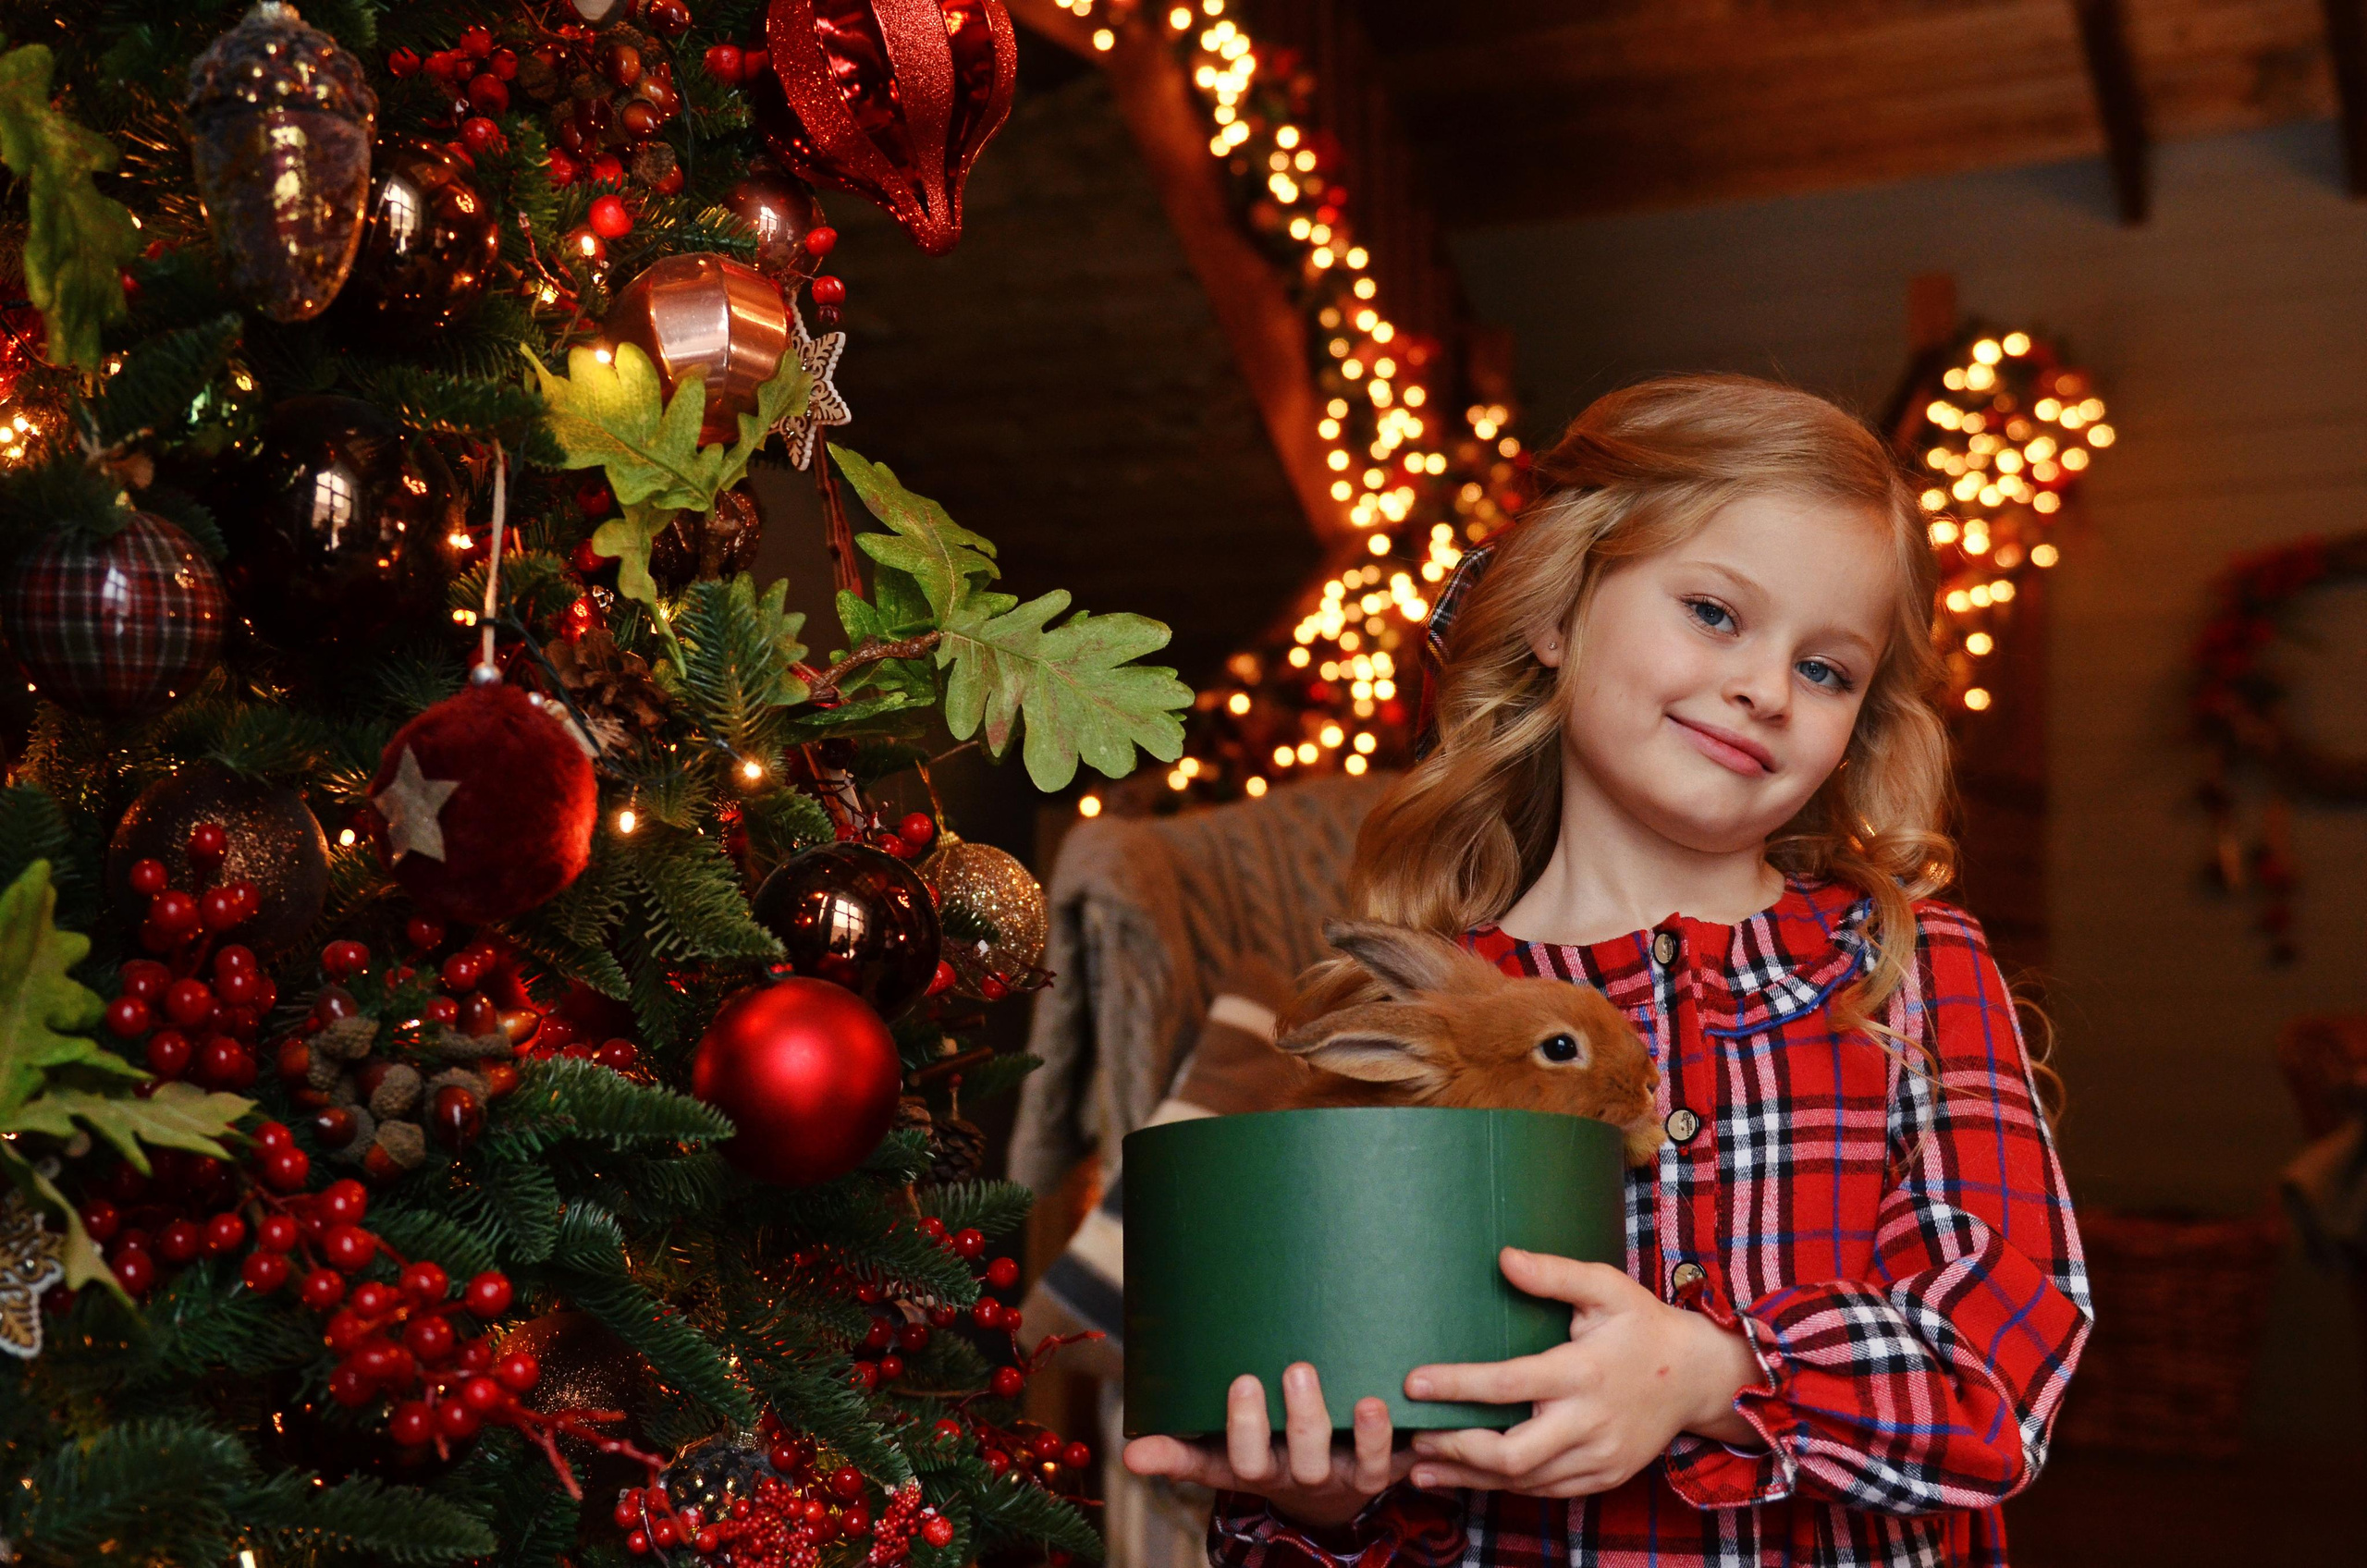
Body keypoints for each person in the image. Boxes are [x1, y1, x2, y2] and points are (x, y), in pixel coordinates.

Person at [1122, 374, 2091, 1565]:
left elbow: (2002, 1369)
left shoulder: (1908, 967)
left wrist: (1712, 1377)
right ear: (1558, 613)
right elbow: (1369, 1444)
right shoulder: (1448, 1014)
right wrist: (1320, 1498)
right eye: (1716, 613)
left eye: (1829, 669)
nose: (1768, 690)